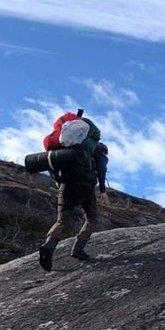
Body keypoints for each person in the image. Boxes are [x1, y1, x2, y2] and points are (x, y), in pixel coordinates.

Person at [38, 114, 109, 271]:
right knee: (92, 218)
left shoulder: (65, 146)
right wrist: (103, 191)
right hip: (85, 186)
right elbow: (102, 170)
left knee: (61, 221)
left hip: (65, 185)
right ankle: (78, 248)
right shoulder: (98, 151)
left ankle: (49, 245)